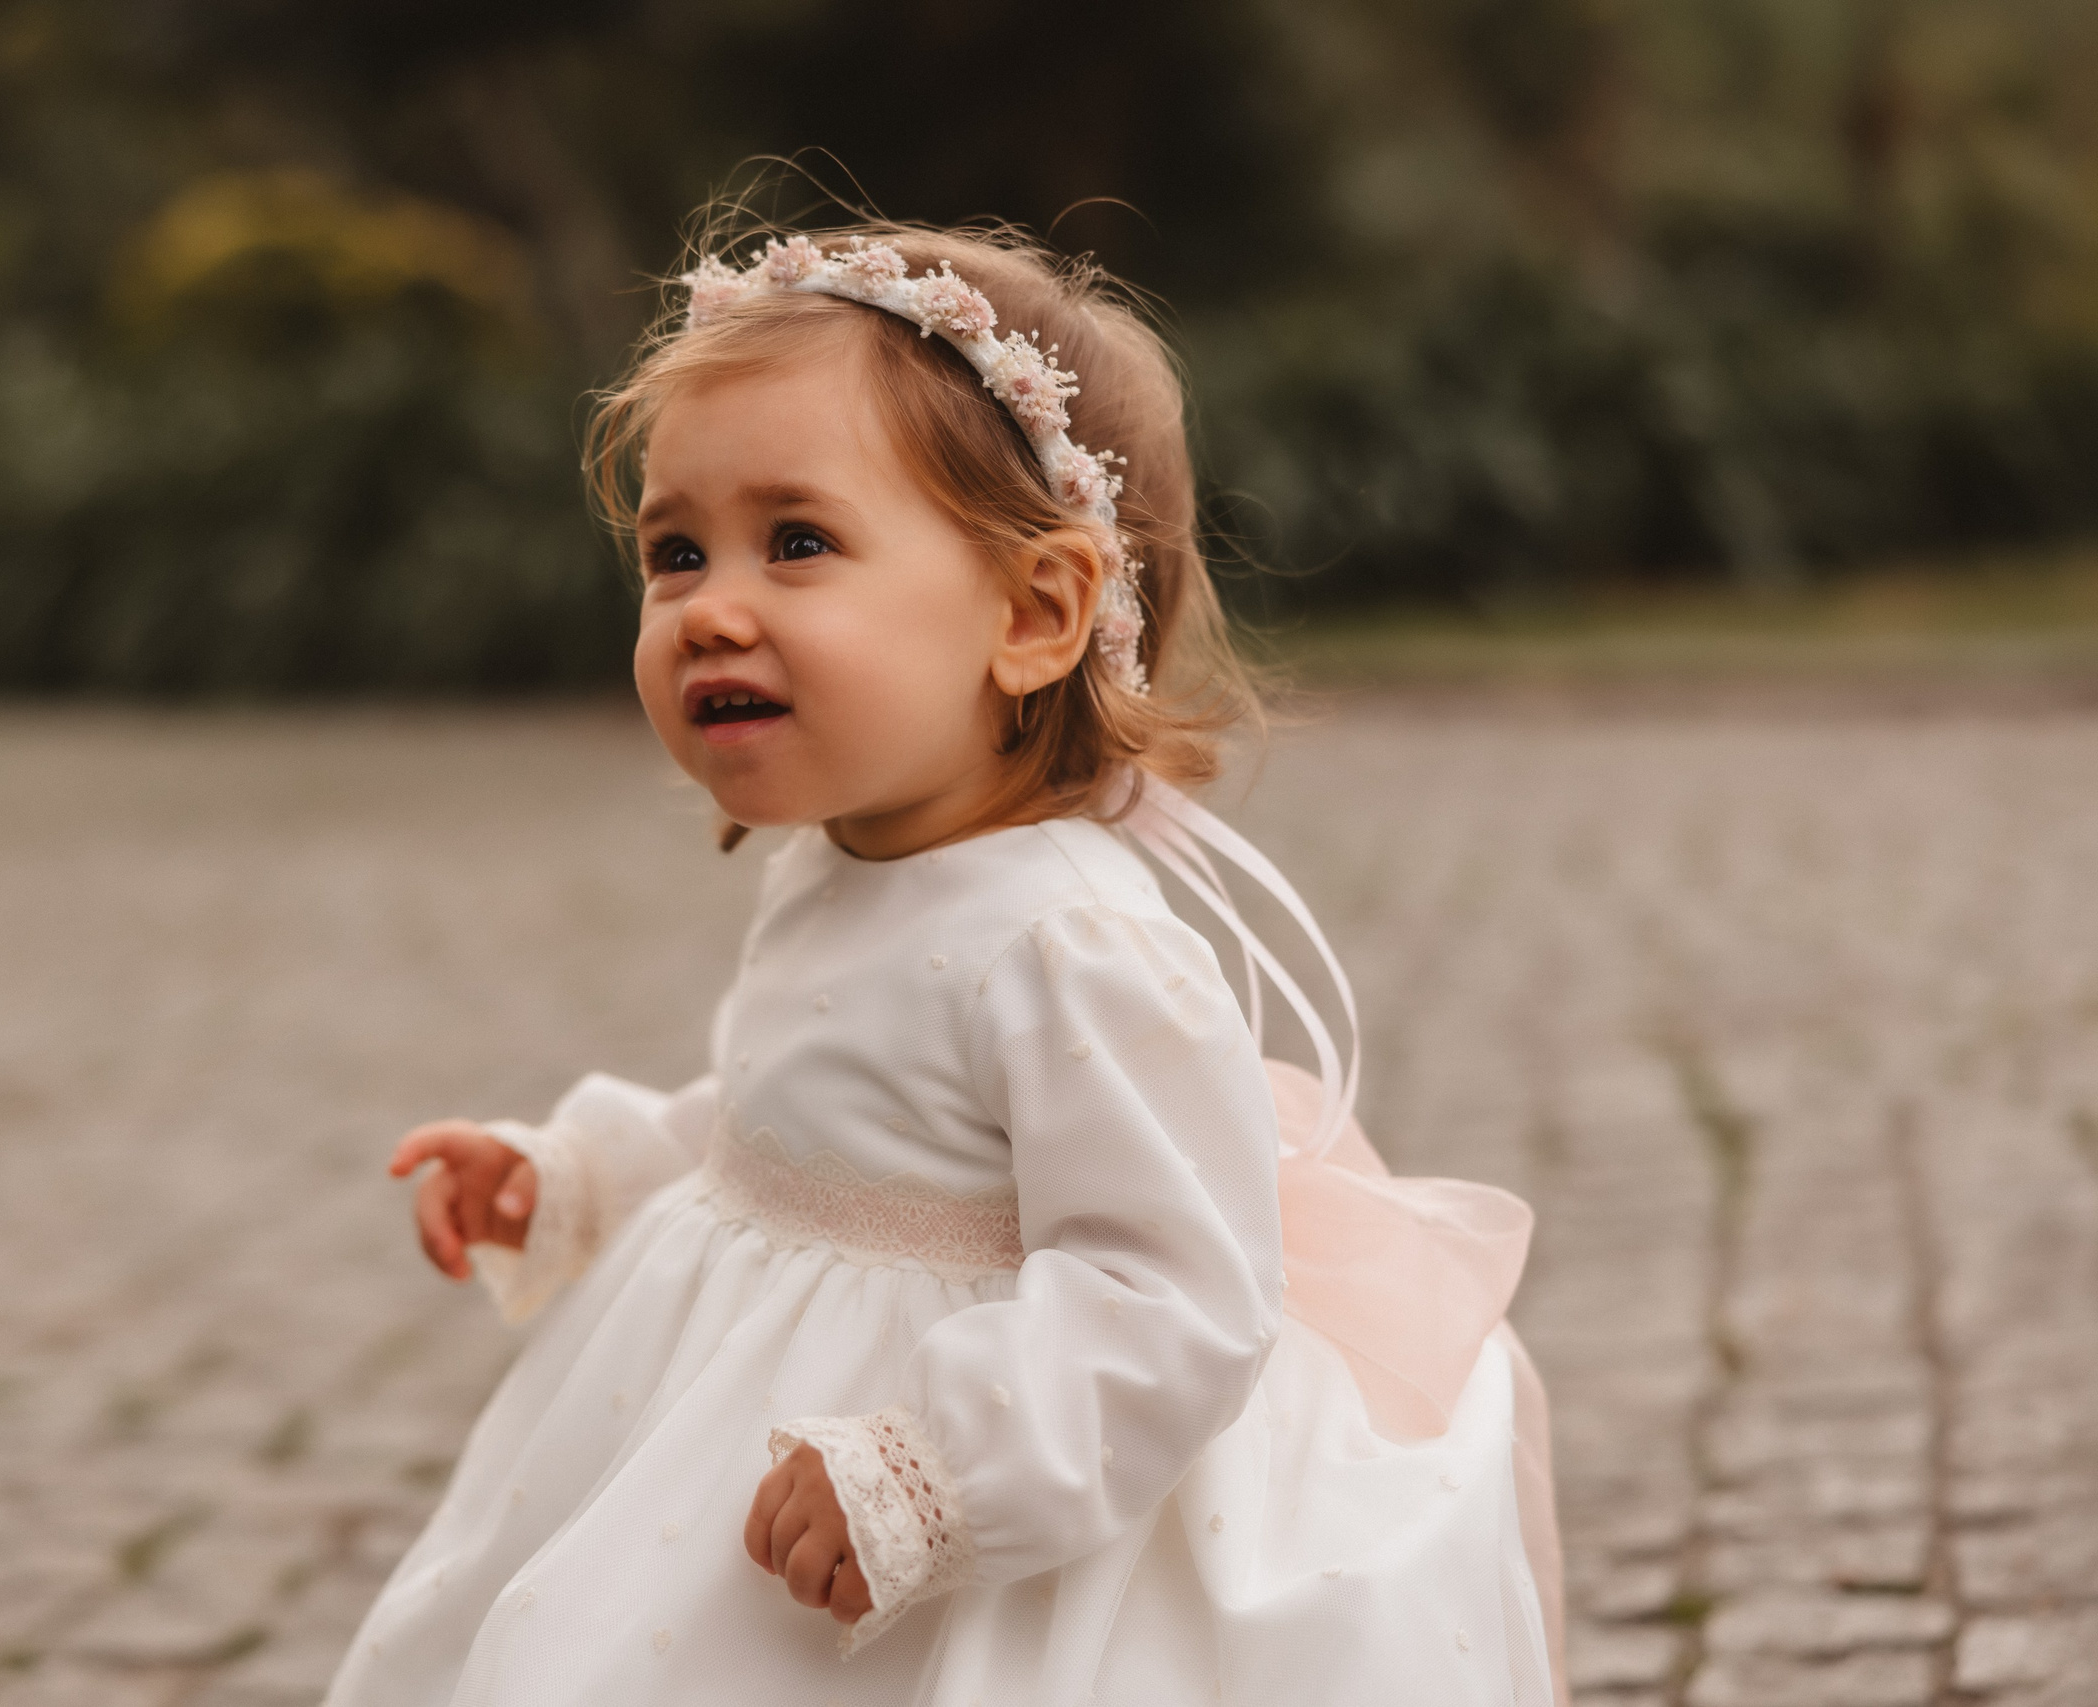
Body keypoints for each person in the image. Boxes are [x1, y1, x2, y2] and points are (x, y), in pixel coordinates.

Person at [324, 217, 1568, 1706]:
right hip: (748, 1413)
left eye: (797, 543)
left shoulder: (1068, 941)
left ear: (1034, 613)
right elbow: (788, 1126)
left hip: (964, 1474)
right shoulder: (845, 858)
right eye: (674, 551)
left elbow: (1175, 1289)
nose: (710, 606)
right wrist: (583, 1177)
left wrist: (937, 1471)